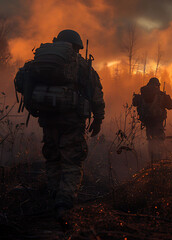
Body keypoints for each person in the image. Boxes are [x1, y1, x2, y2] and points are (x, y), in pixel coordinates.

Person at [14, 29, 105, 221]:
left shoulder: (39, 62)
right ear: (77, 47)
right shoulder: (81, 64)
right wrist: (98, 118)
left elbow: (20, 81)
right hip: (72, 121)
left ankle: (54, 196)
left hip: (47, 118)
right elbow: (96, 94)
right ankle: (64, 204)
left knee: (53, 158)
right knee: (72, 161)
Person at [133, 77, 172, 163]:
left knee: (150, 140)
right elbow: (171, 106)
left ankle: (152, 160)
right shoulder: (161, 94)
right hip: (158, 122)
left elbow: (134, 103)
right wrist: (166, 97)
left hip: (147, 121)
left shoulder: (143, 93)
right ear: (157, 85)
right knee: (159, 140)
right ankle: (158, 161)